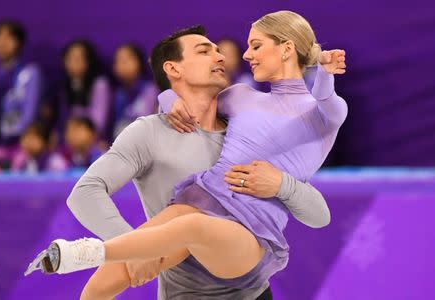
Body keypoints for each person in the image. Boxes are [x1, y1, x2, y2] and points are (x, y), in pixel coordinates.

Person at [26, 11, 345, 299]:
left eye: (255, 46)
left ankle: (92, 251)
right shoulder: (238, 99)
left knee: (189, 223)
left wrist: (324, 74)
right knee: (113, 273)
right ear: (173, 68)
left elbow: (326, 103)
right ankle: (79, 257)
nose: (240, 54)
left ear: (286, 48)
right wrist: (169, 98)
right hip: (199, 219)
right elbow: (86, 191)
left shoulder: (310, 113)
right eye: (206, 50)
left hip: (247, 247)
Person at [0, 20, 43, 148]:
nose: (2, 43)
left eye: (8, 37)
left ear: (19, 42)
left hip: (22, 144)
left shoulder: (29, 74)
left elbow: (30, 114)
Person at [58, 40, 111, 139]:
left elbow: (98, 123)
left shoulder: (100, 84)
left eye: (77, 59)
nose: (72, 64)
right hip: (70, 141)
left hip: (93, 141)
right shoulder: (66, 86)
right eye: (68, 59)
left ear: (88, 61)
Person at [112, 43, 158, 138]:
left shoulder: (150, 89)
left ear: (139, 62)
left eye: (127, 60)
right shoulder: (118, 94)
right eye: (118, 61)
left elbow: (145, 122)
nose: (122, 65)